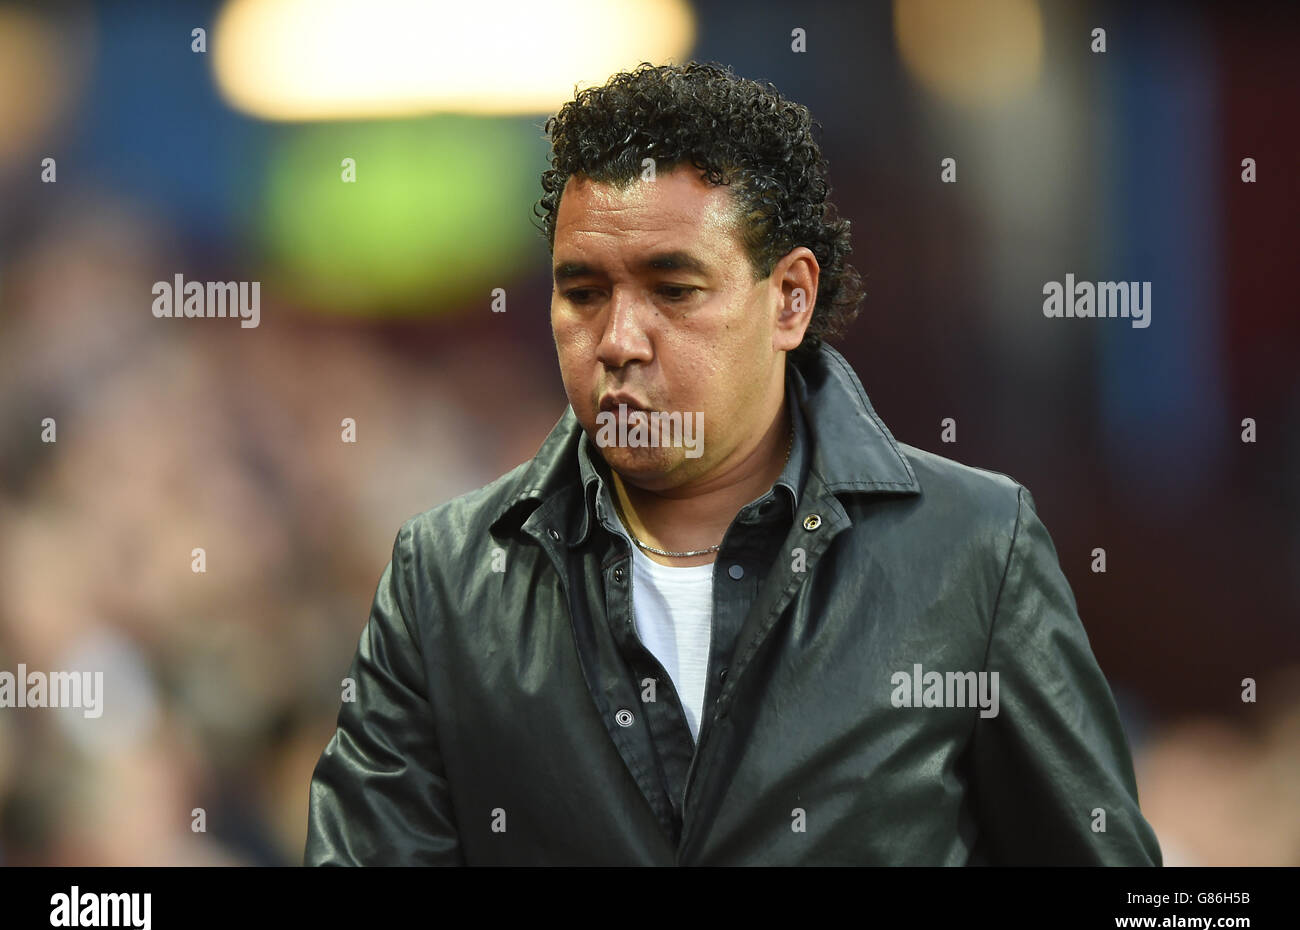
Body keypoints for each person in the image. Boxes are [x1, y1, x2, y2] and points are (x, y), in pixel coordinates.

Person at [304, 61, 1162, 865]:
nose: (618, 341)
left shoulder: (974, 546)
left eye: (674, 291)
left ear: (791, 298)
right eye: (582, 292)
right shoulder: (444, 578)